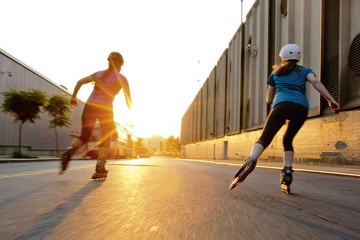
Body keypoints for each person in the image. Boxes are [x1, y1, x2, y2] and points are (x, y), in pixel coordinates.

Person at [231, 43, 340, 191]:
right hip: (301, 108)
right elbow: (315, 81)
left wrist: (278, 102)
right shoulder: (305, 70)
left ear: (282, 58)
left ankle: (252, 157)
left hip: (281, 106)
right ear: (298, 57)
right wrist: (330, 100)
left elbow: (269, 99)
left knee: (265, 138)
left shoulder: (276, 73)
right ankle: (287, 171)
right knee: (288, 139)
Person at [60, 52, 132, 179]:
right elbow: (128, 99)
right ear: (120, 64)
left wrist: (73, 97)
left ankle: (69, 151)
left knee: (85, 135)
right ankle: (100, 166)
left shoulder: (98, 74)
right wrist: (131, 110)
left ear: (109, 62)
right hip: (105, 108)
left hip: (90, 106)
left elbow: (80, 82)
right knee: (106, 137)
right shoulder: (122, 78)